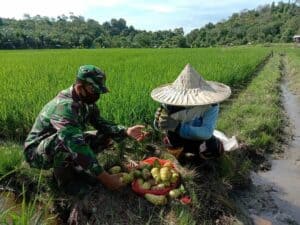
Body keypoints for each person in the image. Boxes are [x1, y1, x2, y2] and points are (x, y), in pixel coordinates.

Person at [24, 65, 147, 194]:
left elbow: (100, 123)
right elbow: (74, 143)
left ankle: (76, 169)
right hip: (37, 152)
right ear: (80, 87)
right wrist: (106, 179)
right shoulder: (64, 107)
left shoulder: (86, 101)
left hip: (62, 141)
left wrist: (125, 131)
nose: (97, 95)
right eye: (94, 90)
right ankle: (66, 183)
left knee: (103, 135)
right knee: (67, 142)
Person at [151, 64, 232, 164]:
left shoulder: (211, 105)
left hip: (199, 139)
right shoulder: (170, 105)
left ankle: (199, 160)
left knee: (214, 149)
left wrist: (178, 127)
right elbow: (160, 127)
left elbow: (207, 132)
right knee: (172, 143)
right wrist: (157, 122)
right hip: (178, 140)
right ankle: (180, 158)